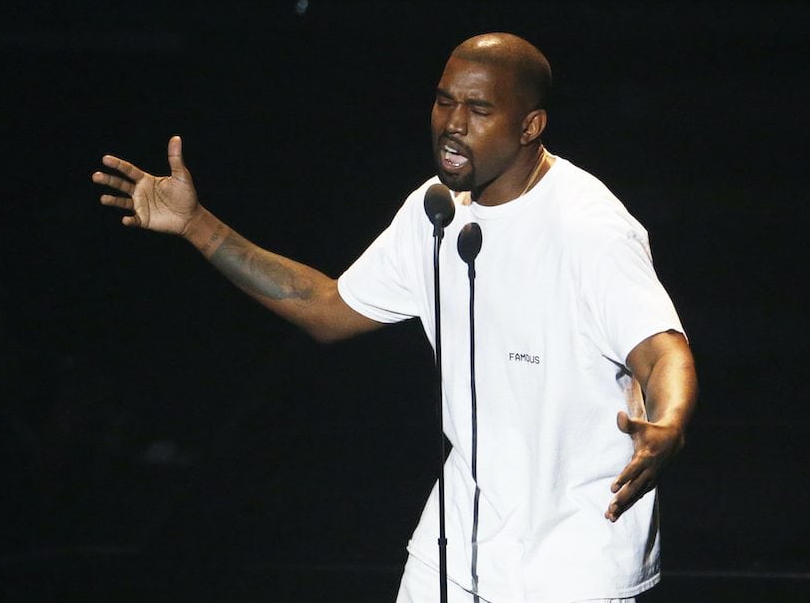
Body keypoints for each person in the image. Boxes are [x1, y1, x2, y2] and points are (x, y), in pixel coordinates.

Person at [93, 32, 697, 602]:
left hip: (577, 559)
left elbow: (662, 349)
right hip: (457, 548)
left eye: (479, 109)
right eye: (444, 102)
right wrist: (197, 226)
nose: (453, 125)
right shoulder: (433, 210)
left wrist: (667, 424)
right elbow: (327, 310)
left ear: (530, 126)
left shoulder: (588, 228)